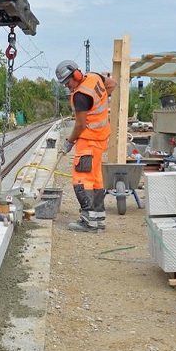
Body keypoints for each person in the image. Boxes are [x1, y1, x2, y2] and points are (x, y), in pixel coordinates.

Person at [56, 59, 116, 232]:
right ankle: (98, 220)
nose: (67, 86)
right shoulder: (95, 77)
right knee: (96, 181)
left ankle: (88, 221)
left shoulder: (81, 96)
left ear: (76, 74)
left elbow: (80, 125)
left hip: (88, 141)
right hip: (101, 139)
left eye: (68, 82)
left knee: (82, 181)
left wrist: (69, 142)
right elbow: (112, 84)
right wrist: (100, 102)